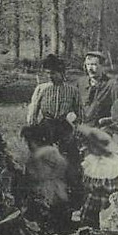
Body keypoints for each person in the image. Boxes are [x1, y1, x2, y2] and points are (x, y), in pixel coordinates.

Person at [26, 54, 84, 209]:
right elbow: (33, 110)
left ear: (62, 73)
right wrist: (32, 127)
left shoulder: (72, 91)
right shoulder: (41, 89)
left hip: (64, 128)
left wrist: (75, 126)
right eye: (48, 73)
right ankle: (42, 197)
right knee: (43, 159)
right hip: (45, 127)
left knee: (71, 162)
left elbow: (80, 113)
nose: (50, 76)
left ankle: (70, 197)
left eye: (53, 73)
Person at [77, 125, 118, 227]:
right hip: (92, 201)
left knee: (107, 222)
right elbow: (86, 184)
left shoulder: (115, 163)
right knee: (89, 225)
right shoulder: (91, 161)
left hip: (108, 202)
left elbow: (116, 187)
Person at [82, 51, 118, 126]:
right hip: (82, 127)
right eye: (88, 65)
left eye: (94, 64)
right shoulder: (81, 82)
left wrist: (106, 120)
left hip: (102, 128)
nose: (90, 68)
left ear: (102, 66)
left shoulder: (111, 84)